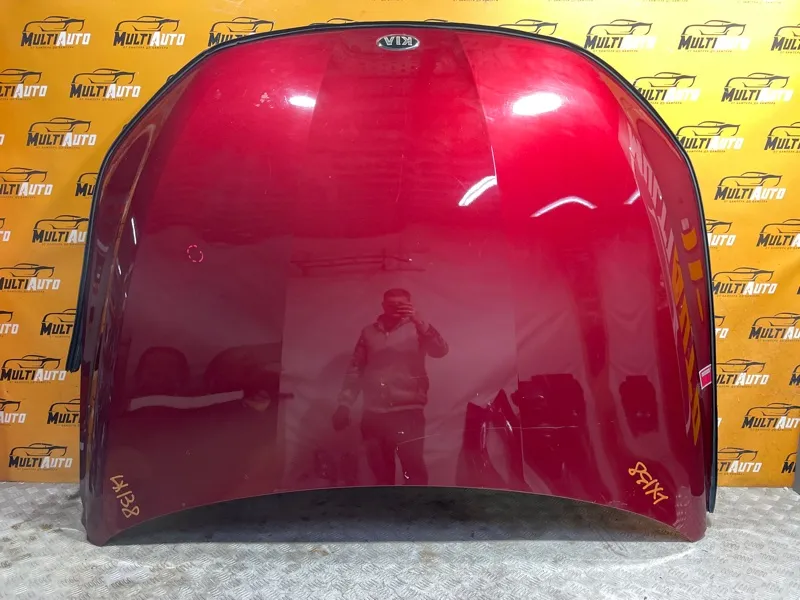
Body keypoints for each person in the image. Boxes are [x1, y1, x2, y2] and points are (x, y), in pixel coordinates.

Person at [332, 288, 449, 485]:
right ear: (383, 306)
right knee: (380, 474)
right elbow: (356, 369)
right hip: (374, 413)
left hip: (408, 411)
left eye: (401, 304)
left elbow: (441, 351)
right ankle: (386, 505)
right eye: (391, 304)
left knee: (413, 471)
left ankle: (416, 505)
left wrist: (420, 323)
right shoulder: (369, 332)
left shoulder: (418, 330)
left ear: (409, 305)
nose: (395, 308)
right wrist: (344, 404)